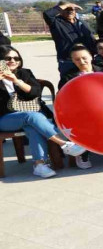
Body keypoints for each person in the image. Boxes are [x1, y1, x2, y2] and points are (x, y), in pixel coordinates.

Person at [0, 46, 86, 178]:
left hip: (28, 116)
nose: (13, 61)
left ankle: (39, 165)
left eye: (16, 58)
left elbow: (36, 93)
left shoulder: (24, 73)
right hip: (4, 118)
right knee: (32, 117)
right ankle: (64, 144)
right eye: (8, 58)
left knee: (32, 125)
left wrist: (17, 81)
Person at [59, 44, 103, 169]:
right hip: (81, 110)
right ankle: (83, 153)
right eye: (77, 59)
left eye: (84, 58)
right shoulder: (68, 77)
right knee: (82, 119)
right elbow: (62, 96)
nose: (81, 61)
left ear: (91, 57)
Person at [43, 1, 97, 75]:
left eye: (72, 9)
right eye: (67, 9)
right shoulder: (56, 23)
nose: (70, 11)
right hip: (67, 61)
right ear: (60, 11)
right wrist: (66, 5)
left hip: (85, 60)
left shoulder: (81, 23)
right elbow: (47, 14)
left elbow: (91, 40)